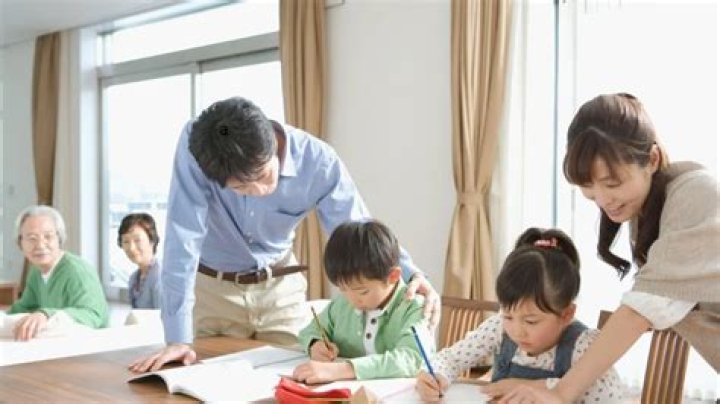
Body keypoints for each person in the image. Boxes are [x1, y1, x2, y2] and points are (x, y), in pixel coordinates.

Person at [129, 97, 440, 373]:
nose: (259, 191)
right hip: (212, 291)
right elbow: (183, 237)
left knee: (293, 381)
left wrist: (412, 274)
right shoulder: (197, 149)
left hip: (279, 289)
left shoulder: (318, 161)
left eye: (263, 175)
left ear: (273, 144)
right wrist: (177, 338)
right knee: (207, 384)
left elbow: (359, 233)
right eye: (240, 188)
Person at [494, 93, 719, 403]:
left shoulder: (695, 196)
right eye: (588, 186)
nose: (602, 200)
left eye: (612, 183)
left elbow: (641, 310)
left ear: (652, 160)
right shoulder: (648, 210)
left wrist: (562, 391)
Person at [416, 227, 623, 403]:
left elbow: (610, 398)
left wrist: (539, 386)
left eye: (531, 321)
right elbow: (450, 358)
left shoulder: (584, 346)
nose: (516, 331)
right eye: (508, 316)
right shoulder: (499, 328)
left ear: (566, 314)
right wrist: (435, 375)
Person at [292, 220, 433, 384]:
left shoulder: (415, 307)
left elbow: (412, 358)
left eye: (362, 291)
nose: (352, 300)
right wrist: (315, 344)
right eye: (343, 289)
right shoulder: (342, 304)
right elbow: (309, 331)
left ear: (393, 276)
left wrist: (343, 369)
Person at [7, 205, 109, 340]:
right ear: (20, 243)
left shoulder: (77, 271)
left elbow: (93, 315)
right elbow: (24, 307)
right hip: (54, 344)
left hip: (90, 345)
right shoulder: (36, 271)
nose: (40, 245)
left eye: (48, 237)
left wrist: (45, 314)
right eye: (32, 238)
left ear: (59, 238)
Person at [118, 213, 161, 309]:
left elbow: (163, 316)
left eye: (137, 240)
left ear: (152, 240)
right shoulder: (133, 278)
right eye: (126, 241)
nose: (131, 248)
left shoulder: (160, 277)